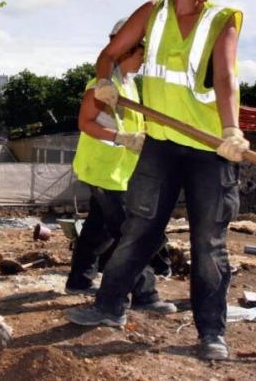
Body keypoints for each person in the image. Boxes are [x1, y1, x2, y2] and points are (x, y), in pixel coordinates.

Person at [65, 0, 248, 361]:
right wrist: (108, 81)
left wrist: (231, 130)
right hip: (161, 146)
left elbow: (226, 79)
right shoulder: (152, 13)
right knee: (139, 228)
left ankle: (210, 333)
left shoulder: (223, 19)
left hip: (209, 151)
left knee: (209, 243)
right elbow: (108, 54)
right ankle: (108, 307)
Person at [66, 18, 175, 317]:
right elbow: (84, 124)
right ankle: (144, 292)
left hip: (116, 171)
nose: (144, 59)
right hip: (105, 170)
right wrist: (120, 137)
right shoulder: (103, 86)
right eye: (141, 52)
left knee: (97, 230)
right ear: (126, 50)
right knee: (131, 234)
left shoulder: (129, 85)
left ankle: (78, 280)